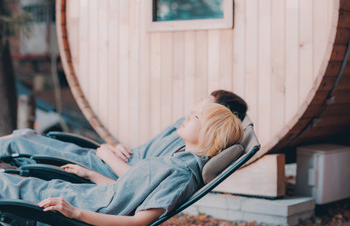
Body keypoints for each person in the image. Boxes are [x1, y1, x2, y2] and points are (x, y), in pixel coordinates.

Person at [0, 103, 243, 226]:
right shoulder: (177, 159)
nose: (187, 117)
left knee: (6, 184)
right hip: (85, 194)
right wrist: (91, 174)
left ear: (210, 133)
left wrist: (75, 213)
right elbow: (126, 191)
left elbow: (139, 221)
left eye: (196, 117)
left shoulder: (181, 175)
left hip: (81, 205)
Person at [0, 90, 247, 180]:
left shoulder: (189, 146)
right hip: (117, 159)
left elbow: (140, 177)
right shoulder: (182, 129)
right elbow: (144, 159)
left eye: (207, 100)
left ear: (217, 114)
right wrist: (115, 146)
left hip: (110, 168)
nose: (199, 99)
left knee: (25, 139)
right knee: (28, 137)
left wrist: (108, 155)